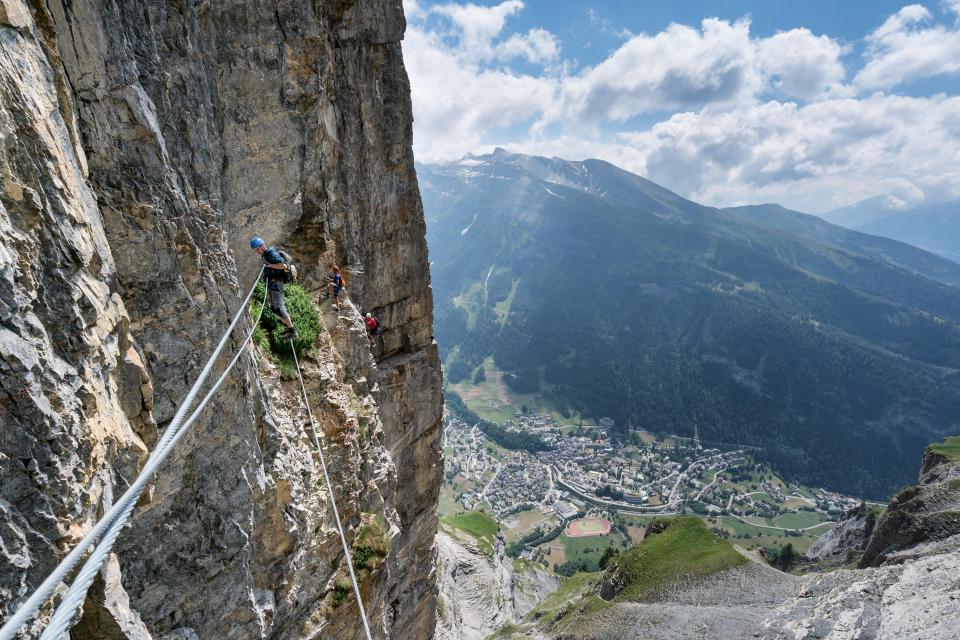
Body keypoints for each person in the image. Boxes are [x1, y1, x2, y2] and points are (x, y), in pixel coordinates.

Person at [250, 237, 298, 339]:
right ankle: (288, 328)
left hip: (276, 283)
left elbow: (284, 265)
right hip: (273, 284)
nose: (257, 251)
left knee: (279, 308)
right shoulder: (266, 254)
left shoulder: (271, 253)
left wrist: (270, 265)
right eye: (256, 250)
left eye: (257, 249)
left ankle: (292, 331)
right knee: (273, 307)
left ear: (262, 246)